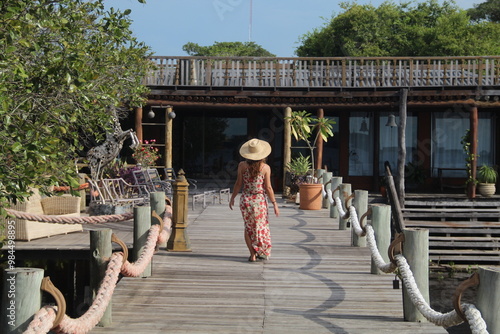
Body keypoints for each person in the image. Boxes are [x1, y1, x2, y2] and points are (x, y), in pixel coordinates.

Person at [229, 138, 280, 262]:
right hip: (259, 200)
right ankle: (261, 250)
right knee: (261, 226)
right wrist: (274, 203)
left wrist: (232, 198)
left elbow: (238, 184)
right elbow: (268, 187)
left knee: (248, 227)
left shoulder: (242, 165)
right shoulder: (265, 168)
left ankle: (252, 254)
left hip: (246, 199)